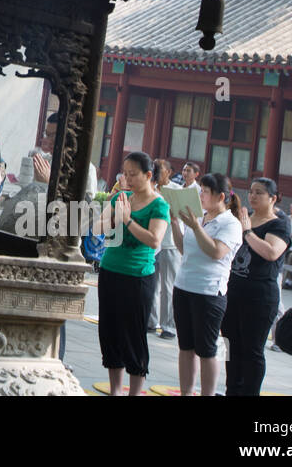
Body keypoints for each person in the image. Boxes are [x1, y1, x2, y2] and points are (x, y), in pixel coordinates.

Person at [96, 151, 169, 396]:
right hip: (110, 271)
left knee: (133, 335)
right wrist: (114, 215)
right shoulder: (121, 197)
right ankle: (115, 390)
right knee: (110, 331)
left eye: (133, 174)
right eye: (125, 174)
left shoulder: (159, 205)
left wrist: (128, 221)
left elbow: (153, 240)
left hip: (137, 276)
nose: (127, 179)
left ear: (148, 175)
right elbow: (99, 228)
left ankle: (134, 392)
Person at [170, 172, 243, 397]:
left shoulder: (231, 223)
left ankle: (207, 394)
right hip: (183, 286)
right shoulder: (199, 216)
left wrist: (196, 226)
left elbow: (216, 251)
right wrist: (175, 222)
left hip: (209, 291)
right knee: (186, 346)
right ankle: (186, 392)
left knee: (208, 349)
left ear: (221, 196)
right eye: (200, 191)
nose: (200, 195)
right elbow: (184, 248)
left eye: (205, 192)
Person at [221, 178, 291, 395]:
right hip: (233, 293)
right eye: (251, 192)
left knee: (252, 350)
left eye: (259, 193)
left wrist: (248, 232)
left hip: (259, 297)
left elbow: (271, 252)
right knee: (231, 347)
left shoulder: (277, 224)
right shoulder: (244, 218)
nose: (252, 196)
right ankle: (232, 389)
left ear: (273, 198)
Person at [147, 159, 181, 339]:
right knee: (152, 284)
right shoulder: (151, 189)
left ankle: (169, 326)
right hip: (153, 244)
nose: (158, 172)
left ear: (169, 171)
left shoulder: (177, 190)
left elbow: (182, 215)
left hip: (170, 243)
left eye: (160, 170)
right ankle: (151, 321)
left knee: (168, 286)